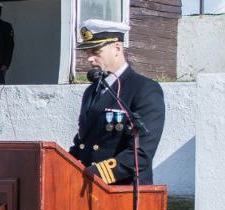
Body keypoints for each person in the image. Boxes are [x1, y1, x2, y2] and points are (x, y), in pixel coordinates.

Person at [68, 19, 164, 186]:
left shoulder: (144, 89)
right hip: (89, 189)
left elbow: (140, 153)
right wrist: (64, 168)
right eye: (88, 52)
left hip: (122, 191)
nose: (90, 59)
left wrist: (92, 175)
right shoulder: (91, 91)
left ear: (117, 48)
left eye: (96, 51)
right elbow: (82, 142)